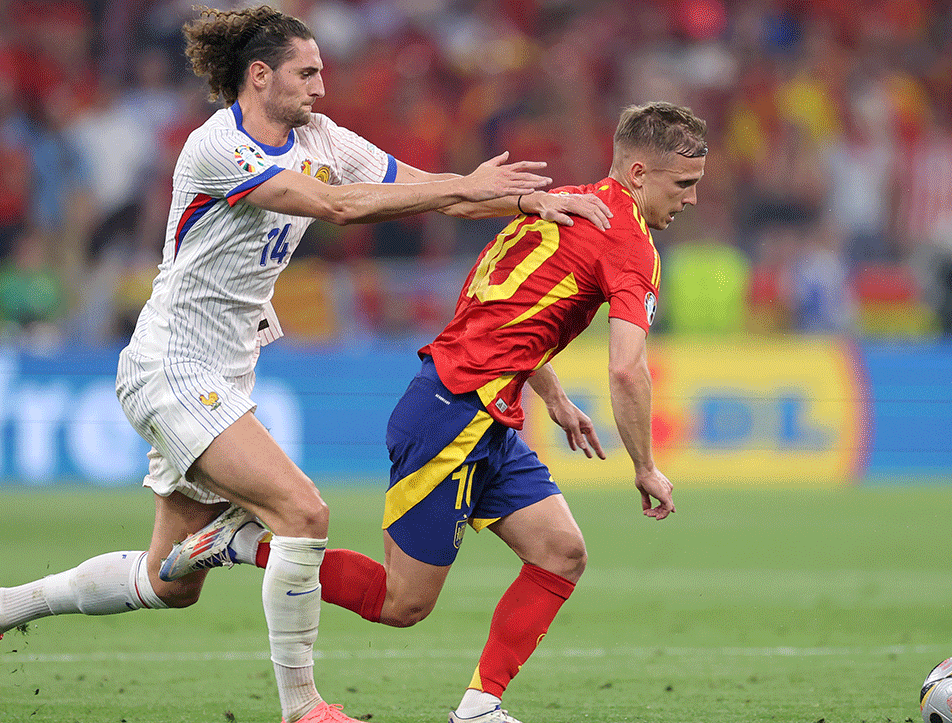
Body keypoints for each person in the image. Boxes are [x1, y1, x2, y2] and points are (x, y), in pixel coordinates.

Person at [0, 6, 611, 723]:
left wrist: (524, 199)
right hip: (172, 366)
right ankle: (303, 707)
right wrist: (468, 187)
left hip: (225, 374)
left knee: (169, 580)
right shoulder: (217, 146)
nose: (321, 86)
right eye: (307, 73)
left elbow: (426, 189)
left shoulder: (321, 136)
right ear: (260, 76)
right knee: (302, 511)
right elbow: (337, 206)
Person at [164, 101, 705, 723]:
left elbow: (496, 307)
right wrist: (645, 466)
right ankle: (241, 542)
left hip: (480, 412)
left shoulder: (562, 205)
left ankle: (479, 706)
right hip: (454, 415)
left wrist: (553, 396)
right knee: (402, 603)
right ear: (638, 173)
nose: (690, 199)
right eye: (683, 183)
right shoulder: (630, 243)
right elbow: (627, 369)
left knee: (560, 551)